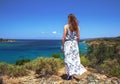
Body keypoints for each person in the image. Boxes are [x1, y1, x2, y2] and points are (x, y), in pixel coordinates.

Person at [62, 14, 87, 80]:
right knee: (75, 60)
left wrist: (62, 45)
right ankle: (72, 74)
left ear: (69, 19)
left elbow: (64, 37)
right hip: (74, 44)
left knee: (67, 59)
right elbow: (78, 38)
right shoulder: (78, 27)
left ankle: (70, 75)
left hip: (68, 44)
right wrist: (77, 45)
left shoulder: (66, 26)